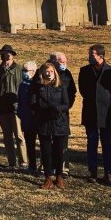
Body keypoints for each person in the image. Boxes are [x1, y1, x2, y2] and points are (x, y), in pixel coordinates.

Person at [78, 44, 111, 184]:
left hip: (106, 112)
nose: (89, 57)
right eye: (89, 54)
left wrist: (104, 100)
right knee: (92, 142)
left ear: (101, 56)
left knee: (106, 143)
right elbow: (82, 90)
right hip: (90, 112)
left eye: (92, 55)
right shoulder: (84, 71)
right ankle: (93, 172)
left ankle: (108, 173)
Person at [31, 61, 70, 190]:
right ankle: (48, 177)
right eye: (46, 71)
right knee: (46, 151)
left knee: (60, 150)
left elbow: (66, 104)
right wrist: (41, 111)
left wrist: (58, 109)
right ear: (42, 73)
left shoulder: (61, 86)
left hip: (60, 122)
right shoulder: (38, 86)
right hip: (44, 122)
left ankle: (59, 176)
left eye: (51, 71)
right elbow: (33, 104)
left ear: (55, 73)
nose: (49, 74)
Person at [0, 45, 26, 169]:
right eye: (3, 54)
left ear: (12, 55)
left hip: (15, 107)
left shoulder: (20, 69)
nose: (6, 56)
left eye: (8, 54)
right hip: (2, 108)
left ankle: (23, 161)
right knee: (7, 137)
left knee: (19, 135)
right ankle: (11, 162)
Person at [49, 52, 76, 175]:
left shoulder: (67, 73)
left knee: (62, 142)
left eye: (65, 62)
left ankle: (63, 167)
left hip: (63, 113)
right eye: (62, 62)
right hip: (47, 113)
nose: (64, 65)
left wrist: (66, 106)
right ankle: (48, 166)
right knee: (48, 141)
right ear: (53, 61)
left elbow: (72, 92)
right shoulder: (44, 72)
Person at [17, 61, 39, 175]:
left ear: (34, 71)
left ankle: (45, 166)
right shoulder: (22, 85)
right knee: (29, 144)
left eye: (26, 71)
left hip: (38, 119)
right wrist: (21, 114)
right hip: (26, 119)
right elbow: (20, 101)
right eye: (23, 71)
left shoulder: (39, 84)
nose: (24, 73)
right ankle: (32, 165)